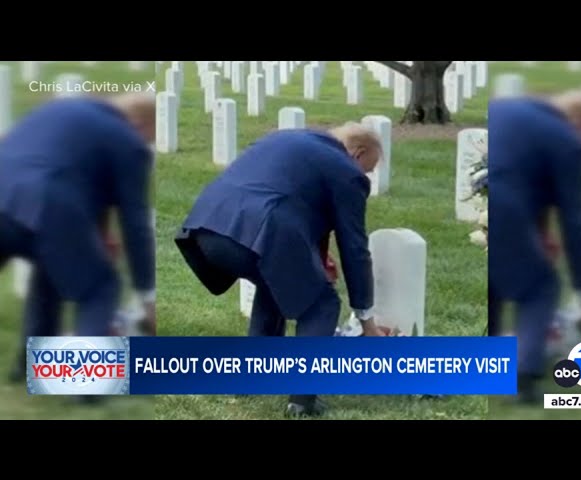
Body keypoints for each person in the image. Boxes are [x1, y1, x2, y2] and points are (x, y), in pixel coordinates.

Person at [175, 122, 387, 417]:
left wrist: (316, 261)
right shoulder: (346, 170)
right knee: (321, 305)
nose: (366, 176)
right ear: (357, 152)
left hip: (207, 227)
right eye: (369, 168)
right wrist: (367, 321)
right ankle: (302, 400)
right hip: (264, 229)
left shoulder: (287, 138)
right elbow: (355, 248)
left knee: (275, 284)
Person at [0, 92, 157, 383]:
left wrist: (96, 234)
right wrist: (147, 294)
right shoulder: (128, 139)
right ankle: (87, 384)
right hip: (47, 202)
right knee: (101, 287)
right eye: (151, 135)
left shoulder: (59, 110)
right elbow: (135, 223)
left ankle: (26, 368)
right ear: (141, 124)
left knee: (51, 268)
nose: (148, 143)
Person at [488, 89, 581, 403]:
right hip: (507, 209)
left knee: (495, 280)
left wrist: (539, 234)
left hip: (485, 199)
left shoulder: (505, 108)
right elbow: (576, 224)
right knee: (541, 286)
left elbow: (525, 171)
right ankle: (523, 376)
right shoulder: (568, 141)